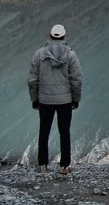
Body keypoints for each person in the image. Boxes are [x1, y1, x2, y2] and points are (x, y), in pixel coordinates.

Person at [28, 24, 83, 174]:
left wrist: (35, 99)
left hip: (45, 101)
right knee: (64, 132)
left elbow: (33, 80)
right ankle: (64, 166)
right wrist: (75, 99)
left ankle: (42, 166)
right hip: (65, 101)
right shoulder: (71, 55)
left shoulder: (39, 54)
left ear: (50, 36)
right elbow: (76, 80)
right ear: (64, 37)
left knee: (44, 132)